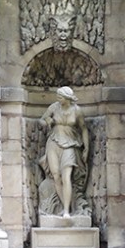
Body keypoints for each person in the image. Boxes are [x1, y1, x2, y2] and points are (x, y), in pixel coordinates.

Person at [40, 86, 90, 218]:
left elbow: (83, 128)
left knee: (66, 177)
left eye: (60, 96)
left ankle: (68, 210)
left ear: (67, 98)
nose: (58, 98)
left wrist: (87, 147)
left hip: (70, 144)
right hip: (53, 142)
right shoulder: (54, 107)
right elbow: (42, 119)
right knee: (56, 175)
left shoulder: (77, 111)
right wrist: (47, 121)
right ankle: (64, 207)